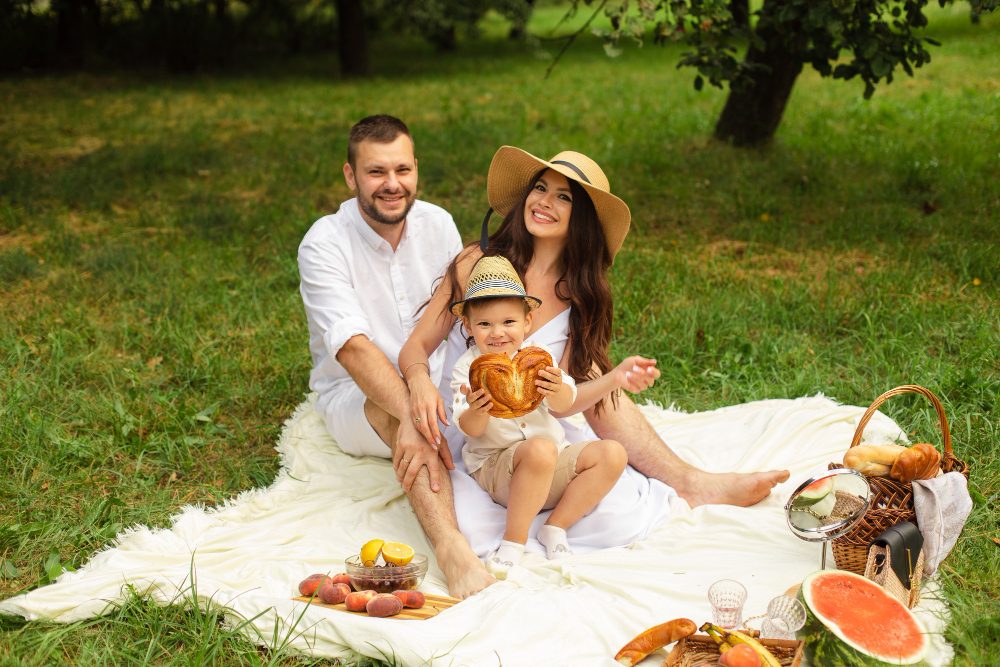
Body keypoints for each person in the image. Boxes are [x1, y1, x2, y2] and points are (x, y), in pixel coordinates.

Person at [398, 146, 789, 515]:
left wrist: (617, 377)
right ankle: (687, 481)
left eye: (563, 197)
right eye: (539, 188)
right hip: (474, 429)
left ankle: (687, 481)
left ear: (581, 217)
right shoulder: (478, 264)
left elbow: (564, 401)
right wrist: (419, 385)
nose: (545, 202)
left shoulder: (578, 294)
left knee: (600, 405)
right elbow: (415, 348)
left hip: (539, 431)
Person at [297, 115, 494, 598]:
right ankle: (451, 548)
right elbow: (354, 351)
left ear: (416, 170)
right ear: (350, 176)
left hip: (438, 376)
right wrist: (411, 414)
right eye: (376, 172)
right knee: (398, 419)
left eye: (402, 170)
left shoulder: (438, 222)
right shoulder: (323, 242)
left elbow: (457, 316)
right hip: (355, 395)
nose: (392, 185)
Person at [450, 254, 638, 577]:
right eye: (484, 324)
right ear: (468, 325)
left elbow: (566, 402)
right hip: (500, 470)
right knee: (539, 449)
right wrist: (476, 409)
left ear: (527, 321)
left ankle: (555, 525)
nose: (497, 333)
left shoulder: (538, 359)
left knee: (612, 453)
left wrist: (557, 389)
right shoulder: (469, 370)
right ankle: (514, 540)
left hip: (552, 462)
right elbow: (470, 428)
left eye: (508, 322)